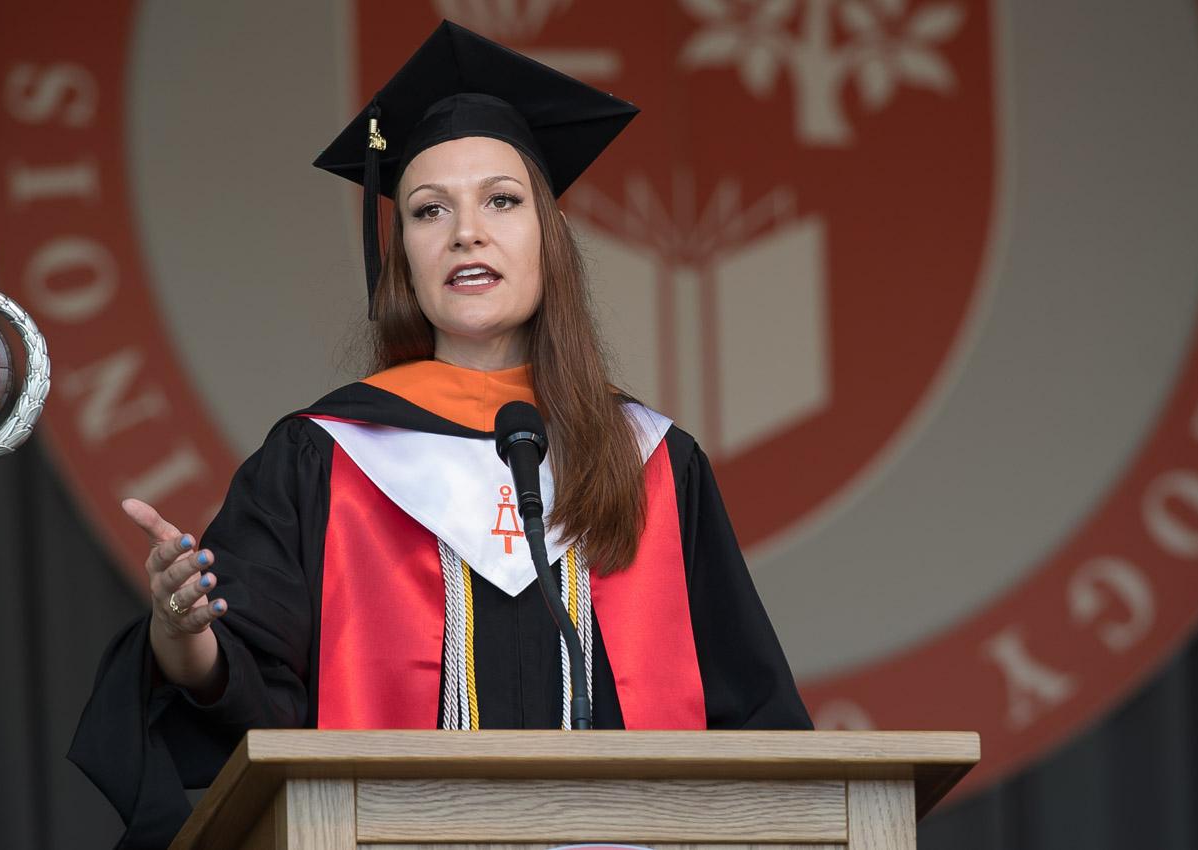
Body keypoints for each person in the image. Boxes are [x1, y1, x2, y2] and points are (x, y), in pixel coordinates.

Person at [70, 20, 811, 850]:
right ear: (405, 258)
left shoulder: (657, 463)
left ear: (547, 239)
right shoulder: (326, 459)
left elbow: (756, 723)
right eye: (429, 210)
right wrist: (184, 634)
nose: (467, 232)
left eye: (501, 200)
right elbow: (250, 701)